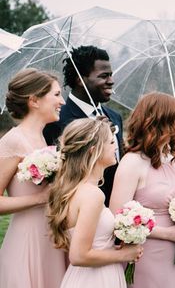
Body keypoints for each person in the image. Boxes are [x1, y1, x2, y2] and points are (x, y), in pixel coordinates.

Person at [110, 92, 175, 288]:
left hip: (173, 255)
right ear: (161, 122)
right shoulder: (132, 162)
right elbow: (117, 218)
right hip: (145, 253)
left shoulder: (170, 159)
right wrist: (168, 234)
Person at [47, 119, 143, 288]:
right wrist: (125, 254)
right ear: (94, 151)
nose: (116, 147)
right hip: (96, 279)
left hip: (87, 276)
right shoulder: (92, 195)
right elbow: (79, 256)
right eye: (111, 142)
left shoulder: (75, 189)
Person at [0, 68, 66, 287]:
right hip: (27, 240)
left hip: (51, 239)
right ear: (34, 101)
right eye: (56, 95)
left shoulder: (43, 139)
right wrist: (39, 199)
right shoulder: (13, 141)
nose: (62, 102)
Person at [43, 45, 123, 206]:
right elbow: (56, 174)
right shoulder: (56, 120)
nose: (111, 81)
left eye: (111, 75)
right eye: (104, 76)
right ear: (80, 79)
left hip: (115, 212)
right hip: (77, 210)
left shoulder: (115, 117)